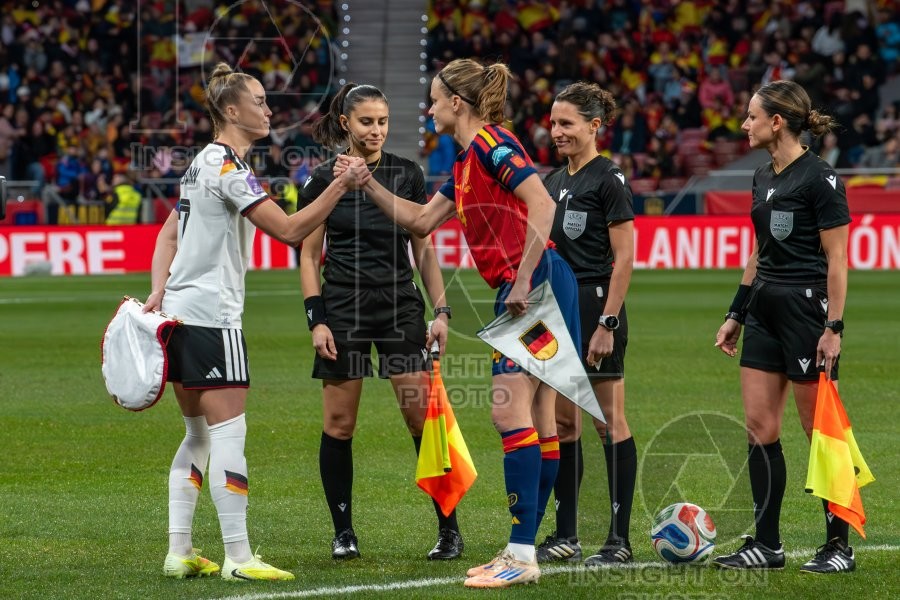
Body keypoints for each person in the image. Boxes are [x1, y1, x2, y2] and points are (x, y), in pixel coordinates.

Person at [335, 58, 583, 589]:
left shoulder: (495, 143)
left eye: (433, 98)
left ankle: (521, 553)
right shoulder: (467, 162)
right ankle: (523, 551)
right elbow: (421, 220)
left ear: (457, 103)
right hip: (528, 286)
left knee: (508, 412)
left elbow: (541, 204)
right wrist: (368, 184)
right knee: (538, 415)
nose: (427, 107)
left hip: (532, 285)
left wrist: (521, 280)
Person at [143, 62, 368, 582]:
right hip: (213, 320)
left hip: (178, 315)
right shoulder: (228, 169)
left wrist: (160, 289)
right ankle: (239, 557)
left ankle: (180, 550)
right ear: (230, 110)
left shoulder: (199, 164)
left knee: (196, 434)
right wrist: (341, 187)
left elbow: (167, 238)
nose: (269, 109)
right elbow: (290, 231)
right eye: (260, 101)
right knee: (228, 435)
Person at [297, 82, 463, 561]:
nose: (376, 130)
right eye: (367, 121)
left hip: (399, 307)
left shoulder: (406, 174)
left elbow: (423, 246)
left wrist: (442, 309)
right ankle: (343, 532)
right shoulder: (321, 178)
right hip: (342, 309)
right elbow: (309, 255)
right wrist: (317, 320)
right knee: (339, 423)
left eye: (383, 122)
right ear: (346, 123)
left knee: (420, 418)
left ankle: (449, 529)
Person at [713, 80, 854, 573]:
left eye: (751, 116)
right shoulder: (762, 175)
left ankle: (839, 545)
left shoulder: (820, 178)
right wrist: (736, 312)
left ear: (777, 122)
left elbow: (837, 260)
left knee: (821, 432)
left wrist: (833, 327)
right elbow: (759, 253)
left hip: (806, 312)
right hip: (764, 311)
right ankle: (767, 545)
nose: (744, 124)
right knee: (759, 427)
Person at [536, 81, 638, 566]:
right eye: (553, 123)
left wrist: (609, 322)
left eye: (566, 123)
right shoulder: (553, 183)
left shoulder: (609, 180)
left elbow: (624, 260)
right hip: (557, 312)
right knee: (563, 424)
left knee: (607, 421)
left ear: (593, 126)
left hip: (596, 307)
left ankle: (619, 539)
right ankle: (567, 533)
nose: (556, 131)